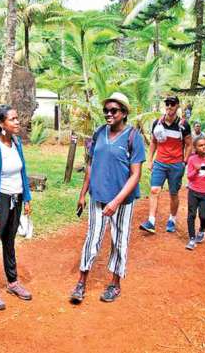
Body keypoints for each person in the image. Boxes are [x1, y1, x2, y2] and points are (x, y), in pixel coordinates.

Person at [70, 92, 145, 303]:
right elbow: (91, 165)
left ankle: (115, 284)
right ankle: (81, 283)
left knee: (119, 241)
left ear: (124, 113)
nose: (108, 114)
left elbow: (136, 174)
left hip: (123, 201)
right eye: (106, 110)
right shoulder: (99, 133)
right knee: (92, 238)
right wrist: (83, 193)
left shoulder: (133, 137)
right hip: (98, 197)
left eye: (114, 110)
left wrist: (116, 202)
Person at [0, 105, 33, 311]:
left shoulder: (16, 143)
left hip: (16, 198)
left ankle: (12, 282)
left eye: (17, 118)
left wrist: (26, 197)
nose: (17, 122)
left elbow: (23, 171)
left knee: (10, 241)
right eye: (12, 119)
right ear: (1, 124)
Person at [139, 96, 192, 234]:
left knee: (173, 194)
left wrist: (184, 162)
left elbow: (189, 144)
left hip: (176, 165)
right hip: (160, 163)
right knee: (154, 190)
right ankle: (151, 221)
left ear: (177, 106)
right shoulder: (158, 123)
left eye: (172, 104)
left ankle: (172, 219)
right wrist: (150, 160)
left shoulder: (183, 125)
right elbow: (153, 143)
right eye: (167, 104)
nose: (169, 106)